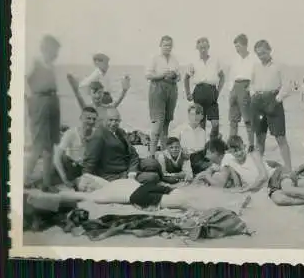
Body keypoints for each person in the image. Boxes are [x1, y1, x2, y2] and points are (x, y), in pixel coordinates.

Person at [24, 178, 252, 216]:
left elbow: (86, 178)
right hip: (141, 193)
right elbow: (73, 193)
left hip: (143, 190)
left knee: (187, 199)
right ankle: (232, 206)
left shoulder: (105, 185)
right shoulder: (97, 193)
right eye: (85, 183)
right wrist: (38, 194)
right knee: (186, 201)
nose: (88, 182)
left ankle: (232, 204)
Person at [81, 108, 156, 186]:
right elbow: (89, 162)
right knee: (152, 177)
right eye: (110, 120)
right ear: (103, 120)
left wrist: (132, 172)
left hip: (129, 166)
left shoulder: (120, 132)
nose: (113, 123)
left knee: (153, 163)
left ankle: (163, 178)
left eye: (116, 120)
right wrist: (85, 179)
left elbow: (133, 153)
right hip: (114, 174)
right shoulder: (98, 136)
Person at [25, 35, 61, 190]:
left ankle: (46, 183)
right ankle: (25, 178)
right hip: (40, 102)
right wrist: (30, 102)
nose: (56, 54)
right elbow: (20, 81)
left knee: (51, 144)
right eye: (55, 50)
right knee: (39, 143)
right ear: (46, 48)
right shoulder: (34, 63)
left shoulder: (50, 66)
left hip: (52, 102)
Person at [250, 39, 293, 171]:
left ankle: (288, 168)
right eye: (258, 54)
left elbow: (287, 85)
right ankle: (259, 169)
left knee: (280, 137)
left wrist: (278, 99)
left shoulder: (279, 66)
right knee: (259, 137)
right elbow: (251, 84)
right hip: (258, 101)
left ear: (269, 50)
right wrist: (253, 95)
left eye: (263, 53)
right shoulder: (255, 67)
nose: (261, 56)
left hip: (273, 100)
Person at [194, 136, 275, 191]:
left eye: (207, 153)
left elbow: (220, 184)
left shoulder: (227, 159)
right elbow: (210, 169)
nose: (206, 156)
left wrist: (207, 176)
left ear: (215, 152)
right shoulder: (224, 159)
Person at [184, 37, 225, 140]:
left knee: (215, 124)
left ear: (208, 47)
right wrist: (188, 93)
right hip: (198, 92)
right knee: (200, 124)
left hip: (212, 92)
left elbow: (222, 77)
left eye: (205, 47)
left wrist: (218, 91)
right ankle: (200, 147)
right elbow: (186, 78)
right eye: (201, 47)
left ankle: (212, 142)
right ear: (197, 48)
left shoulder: (215, 61)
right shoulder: (193, 62)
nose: (203, 49)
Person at [146, 35, 180, 157]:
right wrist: (162, 75)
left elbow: (179, 76)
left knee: (166, 122)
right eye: (165, 45)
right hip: (157, 89)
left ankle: (165, 154)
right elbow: (148, 75)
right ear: (160, 45)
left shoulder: (174, 59)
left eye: (170, 45)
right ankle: (151, 155)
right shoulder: (155, 58)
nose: (168, 47)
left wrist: (174, 76)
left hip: (171, 89)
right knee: (158, 123)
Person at [53, 106, 99, 189]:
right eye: (88, 118)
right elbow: (57, 157)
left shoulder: (97, 134)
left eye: (94, 119)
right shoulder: (71, 133)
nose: (91, 121)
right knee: (63, 158)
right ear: (81, 118)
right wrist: (64, 179)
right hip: (72, 166)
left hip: (87, 168)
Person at [228, 34, 256, 152]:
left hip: (246, 86)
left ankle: (251, 144)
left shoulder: (253, 59)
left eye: (238, 46)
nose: (237, 49)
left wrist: (250, 90)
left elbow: (255, 77)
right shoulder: (235, 60)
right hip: (235, 87)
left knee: (247, 119)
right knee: (233, 119)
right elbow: (231, 76)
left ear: (245, 45)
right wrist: (230, 91)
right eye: (235, 46)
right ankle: (232, 144)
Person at [170, 103, 209, 175]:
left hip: (198, 160)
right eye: (192, 114)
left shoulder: (203, 133)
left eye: (197, 114)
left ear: (202, 116)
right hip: (183, 160)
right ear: (188, 115)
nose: (194, 117)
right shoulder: (180, 129)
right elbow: (171, 147)